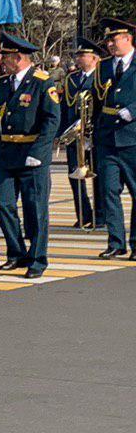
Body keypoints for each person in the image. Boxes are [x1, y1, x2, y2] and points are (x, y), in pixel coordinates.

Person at [0, 31, 61, 279]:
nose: (1, 61)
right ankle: (16, 252)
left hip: (32, 154)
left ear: (17, 58)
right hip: (7, 154)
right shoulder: (1, 84)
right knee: (3, 205)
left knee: (35, 208)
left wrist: (39, 152)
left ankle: (38, 258)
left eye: (5, 56)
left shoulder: (42, 82)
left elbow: (52, 120)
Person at [93, 17, 136, 260]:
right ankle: (116, 242)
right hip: (108, 138)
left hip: (133, 137)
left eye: (114, 39)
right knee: (109, 191)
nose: (110, 44)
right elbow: (97, 100)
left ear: (128, 38)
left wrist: (133, 110)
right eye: (108, 40)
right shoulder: (103, 66)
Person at [61, 37, 104, 230]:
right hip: (75, 135)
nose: (78, 58)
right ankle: (83, 214)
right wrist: (61, 133)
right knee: (75, 175)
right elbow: (64, 107)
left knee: (98, 176)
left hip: (94, 134)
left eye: (82, 55)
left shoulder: (102, 77)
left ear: (94, 58)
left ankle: (100, 216)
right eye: (77, 55)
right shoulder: (71, 78)